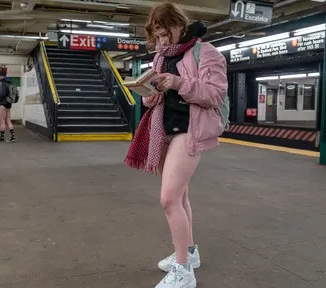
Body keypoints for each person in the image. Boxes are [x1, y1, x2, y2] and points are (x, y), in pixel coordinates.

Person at [124, 2, 227, 288]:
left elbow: (216, 94)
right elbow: (155, 95)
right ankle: (190, 253)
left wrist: (179, 83)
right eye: (156, 36)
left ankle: (183, 272)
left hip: (189, 131)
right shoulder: (160, 57)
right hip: (163, 130)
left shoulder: (205, 53)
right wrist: (149, 95)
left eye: (164, 32)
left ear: (178, 24)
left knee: (169, 199)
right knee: (180, 197)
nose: (161, 40)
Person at [0, 69, 16, 143]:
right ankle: (12, 137)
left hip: (2, 104)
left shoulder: (1, 82)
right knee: (8, 120)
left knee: (2, 121)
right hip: (8, 103)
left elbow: (2, 93)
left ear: (1, 76)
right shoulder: (9, 82)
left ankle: (2, 137)